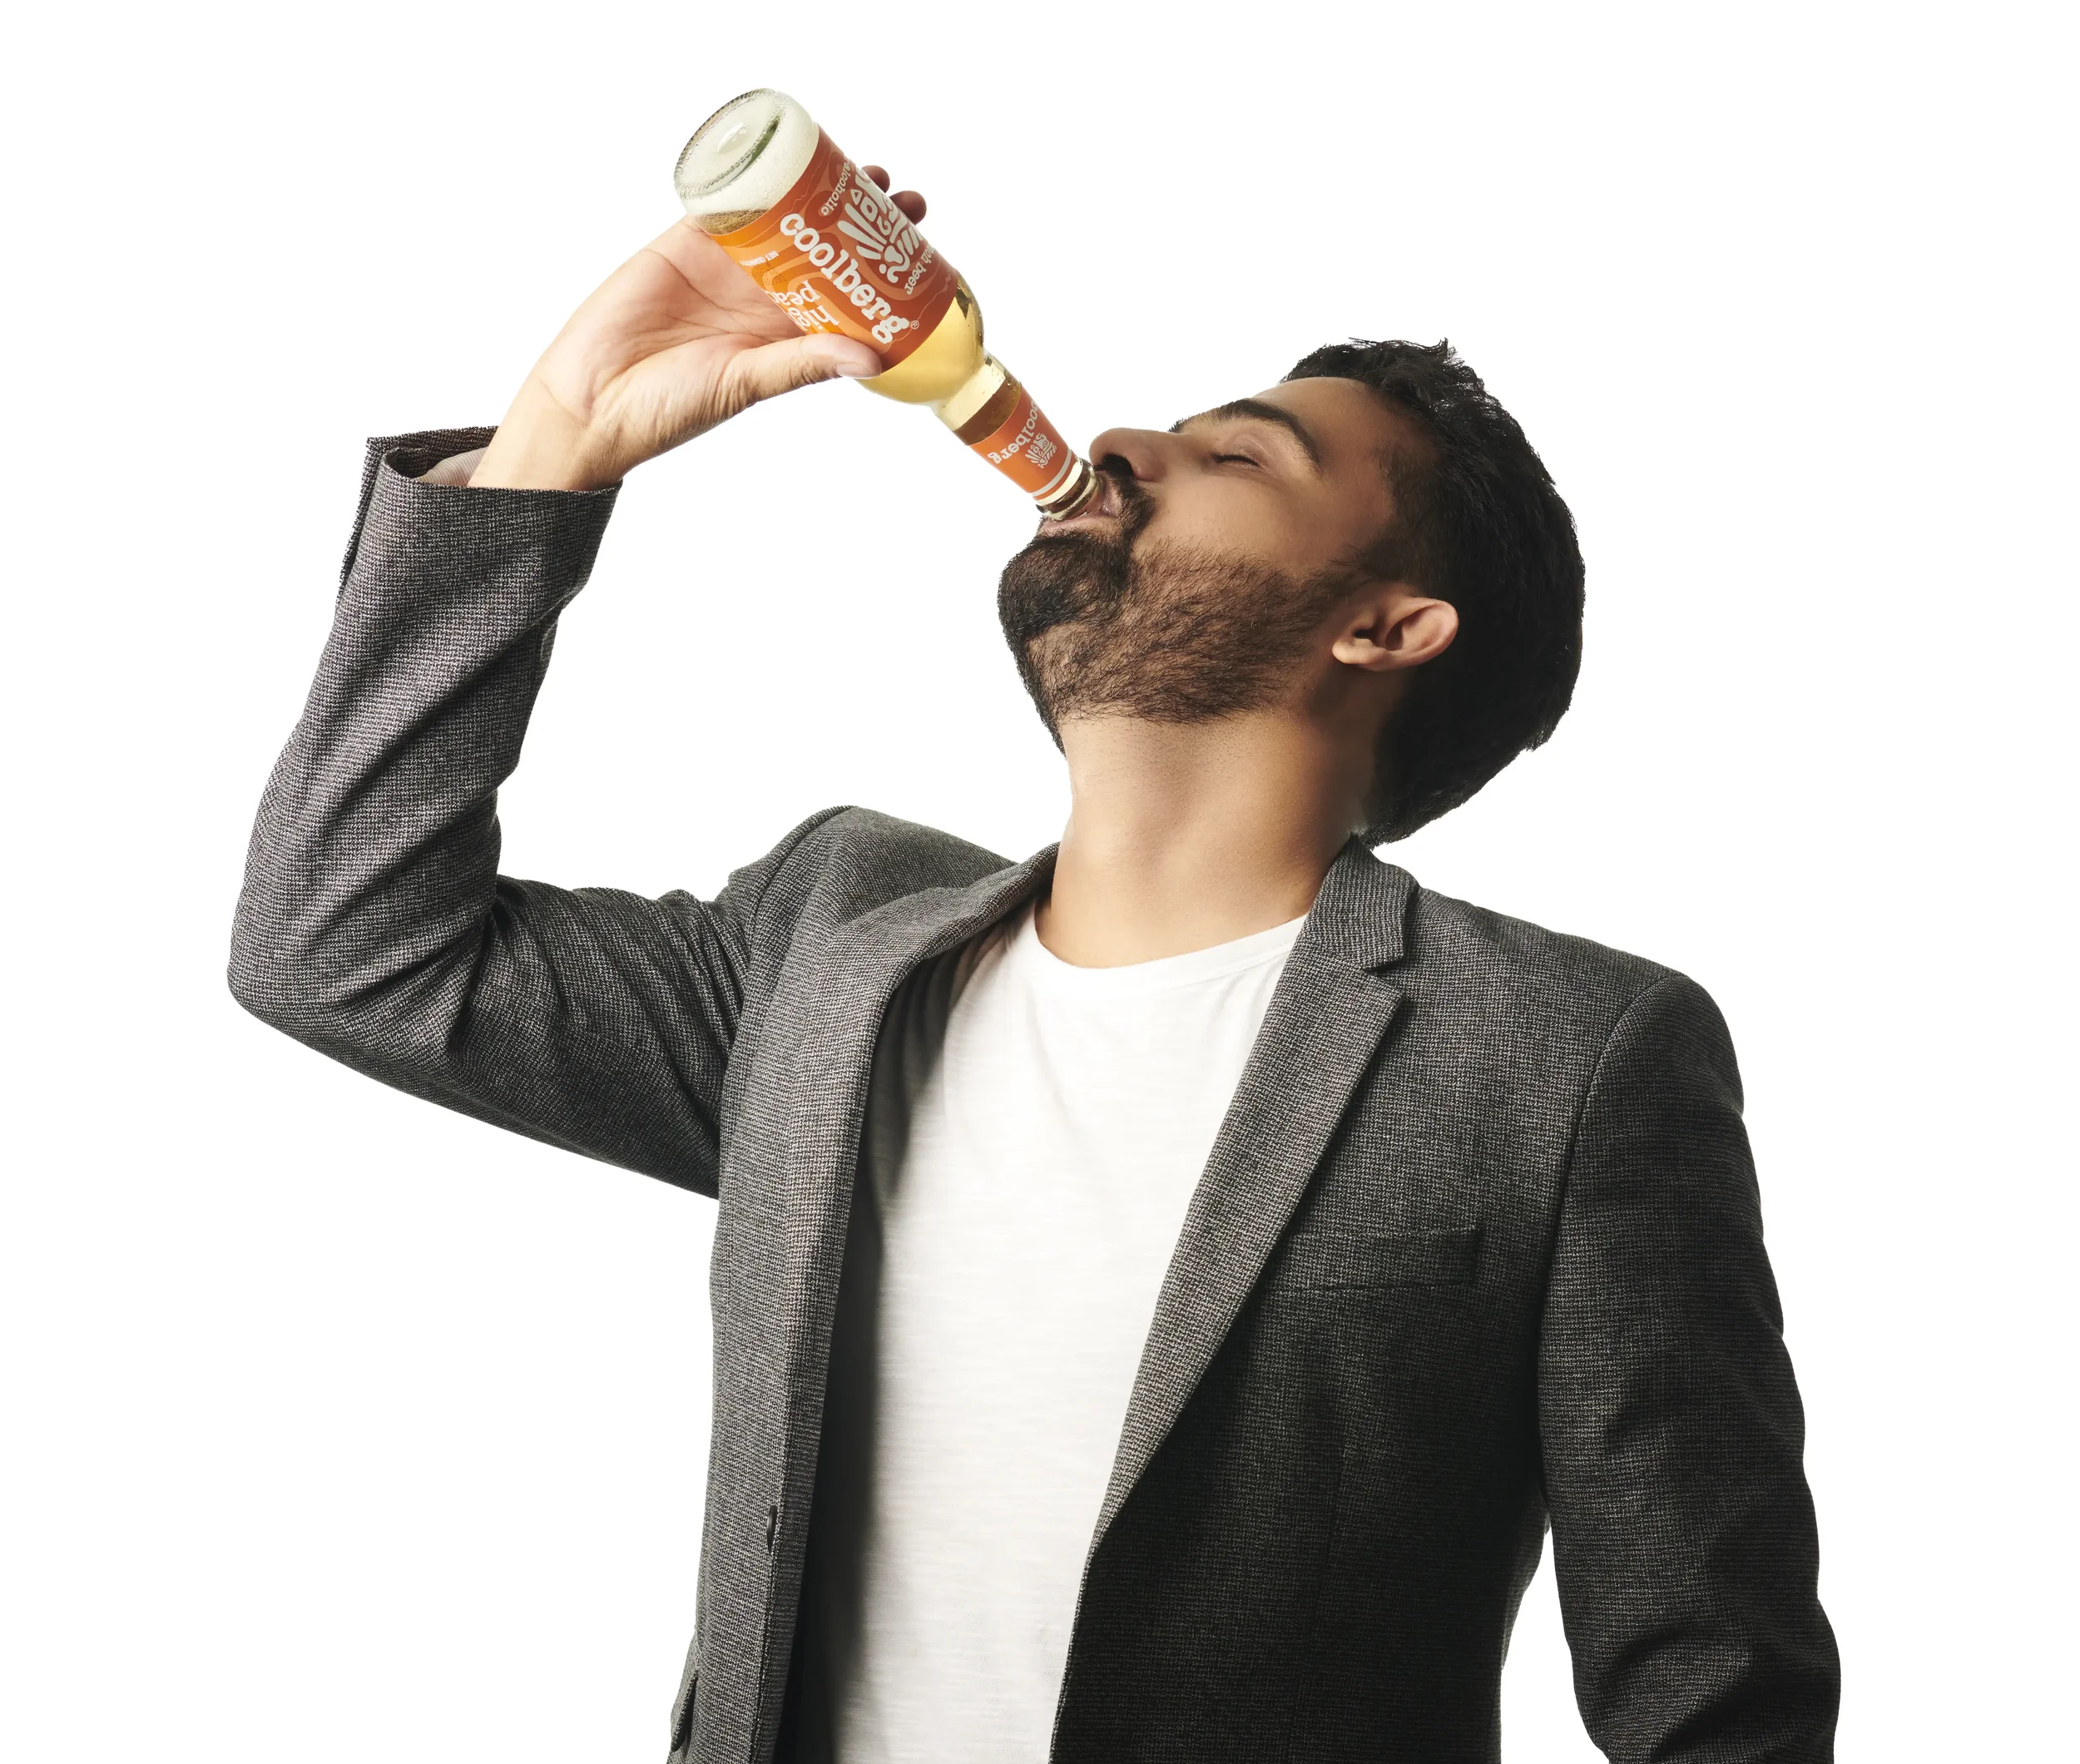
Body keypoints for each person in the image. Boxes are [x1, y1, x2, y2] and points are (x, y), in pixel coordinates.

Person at [229, 167, 1839, 1764]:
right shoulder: (830, 939)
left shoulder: (1569, 1054)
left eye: (1237, 456)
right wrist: (552, 450)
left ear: (1391, 628)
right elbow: (344, 946)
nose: (1125, 444)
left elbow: (1714, 1695)